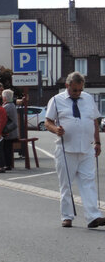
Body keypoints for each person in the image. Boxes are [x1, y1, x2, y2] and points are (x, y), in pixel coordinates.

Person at [45, 71, 105, 229]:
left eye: (80, 89)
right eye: (74, 90)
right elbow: (47, 121)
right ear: (67, 86)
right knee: (66, 184)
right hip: (66, 149)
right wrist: (55, 129)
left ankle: (93, 216)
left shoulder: (88, 98)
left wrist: (97, 142)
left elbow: (94, 121)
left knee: (89, 182)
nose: (78, 93)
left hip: (86, 148)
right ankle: (67, 216)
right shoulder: (56, 100)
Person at [2, 89, 19, 170]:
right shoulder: (11, 105)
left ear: (5, 98)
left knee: (6, 148)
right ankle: (8, 164)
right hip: (12, 131)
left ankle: (8, 165)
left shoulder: (7, 107)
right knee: (7, 148)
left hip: (9, 132)